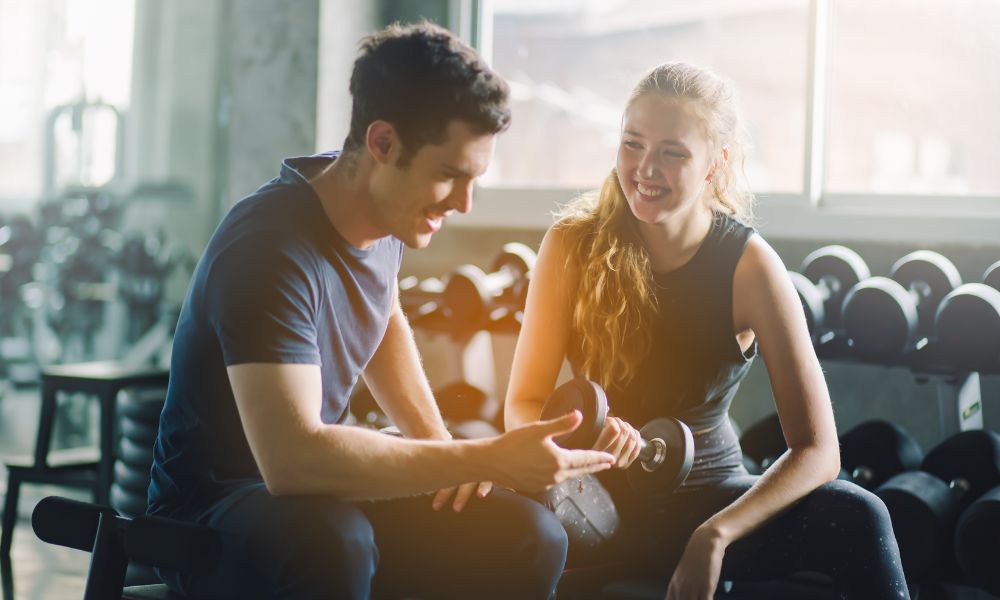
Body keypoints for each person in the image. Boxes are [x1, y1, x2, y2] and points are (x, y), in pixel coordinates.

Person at [147, 21, 614, 600]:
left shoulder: (380, 209)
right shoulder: (267, 247)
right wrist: (485, 456)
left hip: (314, 498)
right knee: (334, 543)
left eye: (474, 180)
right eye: (448, 176)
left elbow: (383, 314)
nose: (464, 204)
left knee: (527, 534)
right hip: (210, 510)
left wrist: (444, 449)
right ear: (383, 144)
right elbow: (291, 461)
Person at [505, 62, 910, 600]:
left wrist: (714, 536)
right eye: (632, 144)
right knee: (485, 523)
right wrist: (575, 445)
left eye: (672, 152)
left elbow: (817, 449)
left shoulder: (750, 267)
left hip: (709, 499)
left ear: (716, 163)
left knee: (859, 515)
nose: (645, 168)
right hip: (591, 500)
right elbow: (522, 405)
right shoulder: (571, 244)